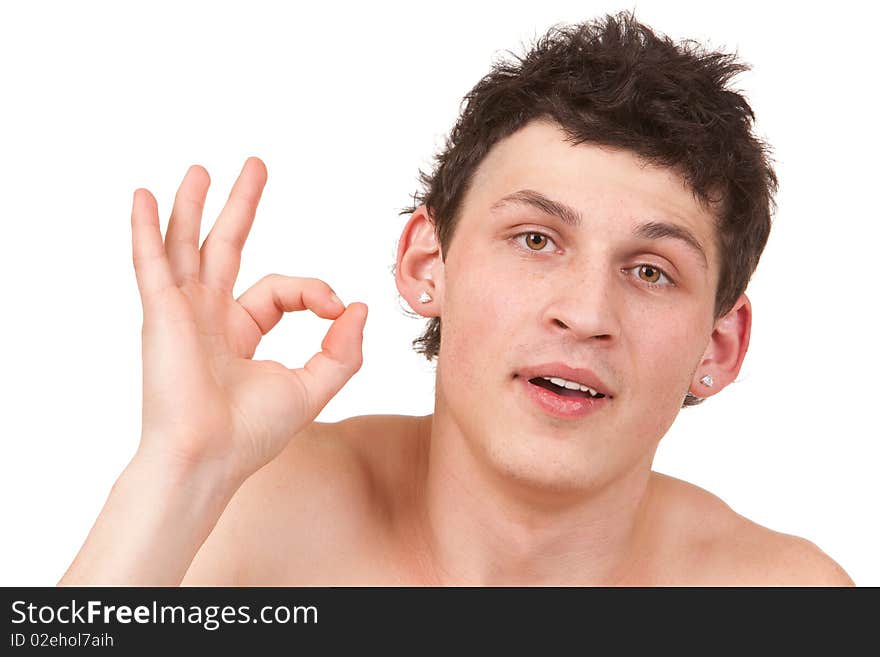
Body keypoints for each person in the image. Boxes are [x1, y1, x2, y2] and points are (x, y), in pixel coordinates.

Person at [59, 11, 854, 586]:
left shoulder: (785, 597)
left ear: (719, 347)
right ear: (426, 261)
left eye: (650, 270)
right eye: (536, 239)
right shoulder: (252, 514)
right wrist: (179, 468)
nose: (584, 313)